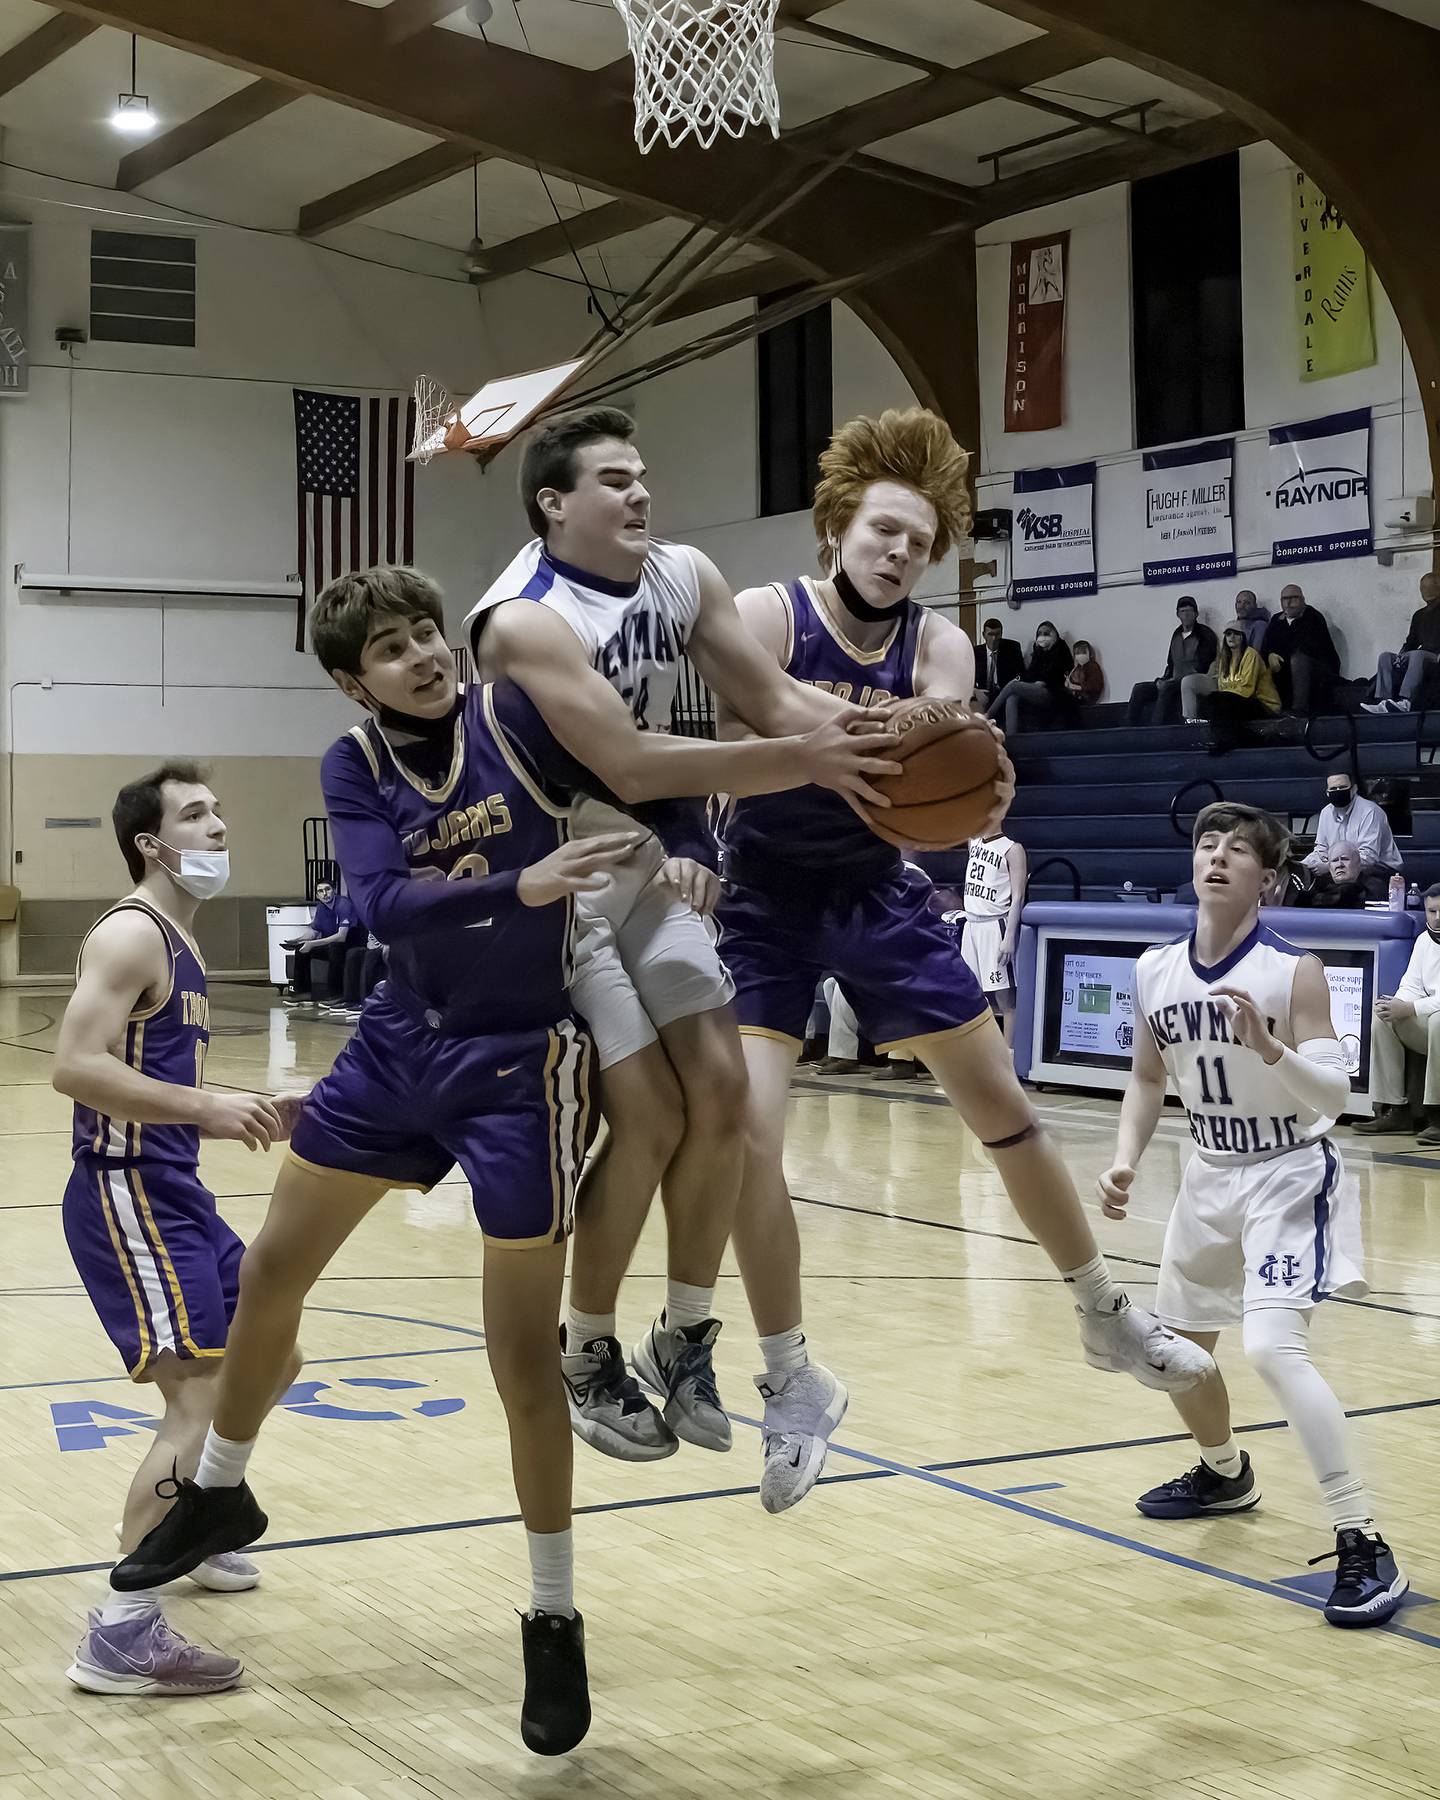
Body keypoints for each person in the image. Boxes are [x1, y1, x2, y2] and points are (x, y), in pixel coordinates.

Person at [112, 566, 842, 1752]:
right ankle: (222, 1492)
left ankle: (552, 1622)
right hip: (399, 1047)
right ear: (355, 680)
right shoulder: (354, 762)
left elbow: (648, 763)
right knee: (269, 1278)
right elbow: (384, 903)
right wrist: (522, 878)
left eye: (427, 634)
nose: (424, 655)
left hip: (519, 1072)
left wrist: (789, 764)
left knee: (519, 1364)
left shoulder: (514, 712)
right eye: (393, 649)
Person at [716, 407, 1216, 1514]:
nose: (899, 552)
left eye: (921, 542)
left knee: (1007, 1110)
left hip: (874, 893)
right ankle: (793, 1381)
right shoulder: (762, 613)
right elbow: (761, 721)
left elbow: (944, 757)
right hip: (763, 897)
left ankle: (1101, 1310)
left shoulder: (936, 642)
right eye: (884, 530)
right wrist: (852, 733)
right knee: (749, 1141)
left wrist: (955, 762)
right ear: (839, 525)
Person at [466, 406, 898, 1465]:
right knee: (652, 1112)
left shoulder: (686, 574)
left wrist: (877, 735)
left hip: (649, 874)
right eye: (615, 480)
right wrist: (807, 762)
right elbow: (635, 768)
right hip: (557, 884)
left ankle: (685, 1335)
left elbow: (769, 695)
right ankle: (587, 1348)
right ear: (553, 505)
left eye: (644, 472)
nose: (640, 493)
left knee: (728, 1097)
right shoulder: (521, 619)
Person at [1098, 800, 1408, 1629]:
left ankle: (1363, 1536)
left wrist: (1272, 1051)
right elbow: (1145, 1078)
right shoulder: (1154, 967)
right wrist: (1126, 1157)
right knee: (1178, 1358)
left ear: (1266, 879)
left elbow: (1340, 1096)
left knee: (1273, 1347)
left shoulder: (1294, 970)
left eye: (1238, 849)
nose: (1218, 856)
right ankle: (1224, 1473)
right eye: (1208, 843)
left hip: (1287, 1171)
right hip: (1207, 1172)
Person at [53, 762, 299, 1696]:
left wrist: (251, 1108)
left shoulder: (182, 943)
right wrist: (204, 1105)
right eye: (196, 816)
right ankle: (119, 1631)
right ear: (152, 845)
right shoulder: (130, 933)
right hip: (128, 1192)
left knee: (273, 1361)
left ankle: (200, 1520)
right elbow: (74, 1065)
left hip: (173, 1187)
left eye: (219, 811)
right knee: (198, 1399)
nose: (219, 826)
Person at [1356, 883, 1440, 1144]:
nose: (1437, 918)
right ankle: (1396, 1110)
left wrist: (1411, 1008)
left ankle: (1437, 1116)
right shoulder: (1423, 941)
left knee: (1439, 1021)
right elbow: (1412, 985)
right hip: (1429, 1017)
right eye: (1431, 911)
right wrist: (1397, 1004)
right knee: (1383, 1018)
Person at [962, 828, 1027, 1045]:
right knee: (972, 994)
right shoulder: (973, 841)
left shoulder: (1012, 849)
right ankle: (982, 1052)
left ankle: (1008, 1057)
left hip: (995, 925)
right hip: (971, 925)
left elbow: (1018, 897)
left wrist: (1009, 937)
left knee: (1005, 998)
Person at [1127, 597, 1216, 727]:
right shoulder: (1177, 634)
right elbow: (1171, 663)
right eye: (1183, 611)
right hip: (1173, 679)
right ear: (1177, 614)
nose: (1186, 614)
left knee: (1167, 688)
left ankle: (1156, 727)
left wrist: (1173, 681)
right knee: (1139, 689)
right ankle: (1129, 728)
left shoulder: (1205, 634)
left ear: (1196, 614)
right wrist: (1163, 679)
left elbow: (1204, 664)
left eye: (1190, 611)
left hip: (1192, 680)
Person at [1362, 572, 1440, 715]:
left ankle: (1406, 701)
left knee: (1417, 656)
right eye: (1423, 587)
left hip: (1435, 656)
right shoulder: (1419, 615)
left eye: (1431, 586)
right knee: (1386, 657)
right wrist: (1401, 655)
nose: (1426, 590)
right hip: (1419, 654)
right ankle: (1383, 700)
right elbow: (1411, 642)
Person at [1196, 621, 1281, 750]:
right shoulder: (1224, 659)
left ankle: (1224, 741)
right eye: (1228, 634)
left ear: (1242, 637)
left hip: (1262, 704)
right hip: (1237, 703)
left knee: (1220, 701)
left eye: (1236, 634)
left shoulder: (1250, 654)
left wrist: (1225, 695)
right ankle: (1232, 740)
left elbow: (1247, 689)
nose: (1232, 637)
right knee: (1210, 700)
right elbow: (1222, 687)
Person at [1183, 593, 1270, 718]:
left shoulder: (1259, 627)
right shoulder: (1232, 624)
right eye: (1239, 602)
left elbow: (1253, 659)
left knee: (1218, 702)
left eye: (1247, 602)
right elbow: (1222, 657)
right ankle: (1190, 724)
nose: (1242, 606)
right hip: (1222, 676)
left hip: (1242, 682)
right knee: (1188, 682)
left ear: (1255, 606)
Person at [1262, 584, 1341, 717]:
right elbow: (1266, 644)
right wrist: (1270, 654)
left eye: (1294, 598)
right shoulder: (1276, 619)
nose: (1289, 603)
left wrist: (1278, 652)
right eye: (1285, 599)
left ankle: (1299, 709)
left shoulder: (1313, 616)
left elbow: (1306, 646)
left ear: (1303, 599)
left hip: (1315, 669)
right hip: (1284, 669)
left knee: (1298, 659)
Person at [984, 619, 1074, 735]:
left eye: (1047, 634)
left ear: (1054, 635)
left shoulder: (1061, 648)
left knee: (1013, 686)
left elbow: (1058, 672)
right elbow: (1030, 673)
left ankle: (988, 715)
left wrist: (1044, 681)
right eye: (1040, 634)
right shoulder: (1038, 651)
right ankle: (1012, 736)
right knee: (1013, 696)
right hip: (1036, 689)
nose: (1043, 637)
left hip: (1053, 692)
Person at [1301, 773, 1402, 874]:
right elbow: (1321, 850)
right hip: (1341, 869)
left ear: (1354, 789)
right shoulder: (1325, 813)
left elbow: (1369, 857)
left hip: (1380, 869)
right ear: (1327, 793)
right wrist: (1301, 865)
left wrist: (1329, 867)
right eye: (1333, 789)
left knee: (1349, 887)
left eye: (1342, 787)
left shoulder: (1370, 811)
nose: (1338, 791)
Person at [285, 878, 361, 1004]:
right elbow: (314, 932)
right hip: (329, 944)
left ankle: (335, 994)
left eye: (327, 889)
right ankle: (303, 993)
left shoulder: (343, 904)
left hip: (348, 944)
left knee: (335, 948)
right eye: (320, 891)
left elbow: (341, 937)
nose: (324, 894)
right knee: (301, 949)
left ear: (334, 890)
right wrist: (298, 940)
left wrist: (312, 944)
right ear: (317, 895)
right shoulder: (321, 908)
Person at [1298, 841, 1386, 909]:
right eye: (1334, 860)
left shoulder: (1374, 886)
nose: (1340, 864)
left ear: (1358, 863)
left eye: (1345, 859)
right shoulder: (1319, 886)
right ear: (1329, 867)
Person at [974, 615, 1023, 708]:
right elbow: (966, 678)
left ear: (1001, 634)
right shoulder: (975, 652)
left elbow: (1021, 673)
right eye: (990, 634)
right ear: (983, 635)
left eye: (997, 634)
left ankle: (987, 717)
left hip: (1004, 693)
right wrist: (975, 691)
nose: (994, 638)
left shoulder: (1012, 648)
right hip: (984, 693)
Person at [1063, 638, 1103, 710]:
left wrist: (1075, 687)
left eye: (1083, 652)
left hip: (1087, 698)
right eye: (1077, 653)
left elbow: (1093, 686)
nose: (1080, 655)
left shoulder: (1093, 666)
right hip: (1077, 696)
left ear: (1090, 654)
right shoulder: (1077, 668)